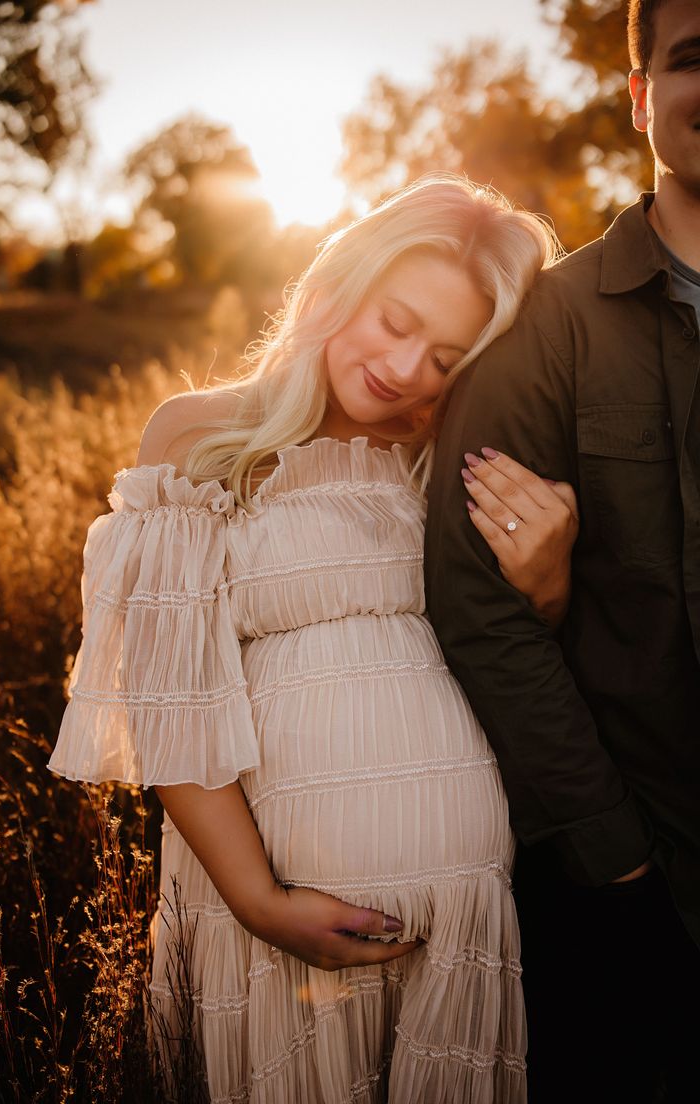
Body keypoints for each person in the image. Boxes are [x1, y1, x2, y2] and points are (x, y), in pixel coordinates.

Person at [48, 176, 572, 1103]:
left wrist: (549, 585)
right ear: (341, 285)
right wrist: (261, 902)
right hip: (272, 909)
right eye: (395, 321)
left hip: (462, 906)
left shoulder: (448, 457)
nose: (408, 367)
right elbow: (169, 699)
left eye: (447, 355)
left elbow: (513, 661)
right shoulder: (199, 436)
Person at [424, 3, 700, 1103]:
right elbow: (472, 600)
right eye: (692, 59)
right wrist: (609, 850)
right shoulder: (548, 323)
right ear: (640, 97)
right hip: (643, 893)